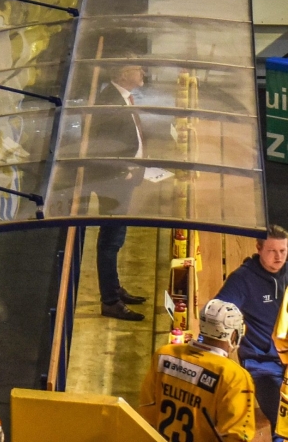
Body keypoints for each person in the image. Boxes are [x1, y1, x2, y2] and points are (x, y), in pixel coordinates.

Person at [139, 299, 256, 442]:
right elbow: (237, 437)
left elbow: (146, 411)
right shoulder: (234, 377)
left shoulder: (165, 354)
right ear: (233, 334)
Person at [91, 62, 149, 321]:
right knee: (110, 241)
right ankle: (110, 301)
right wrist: (123, 169)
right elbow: (102, 144)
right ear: (124, 73)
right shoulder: (109, 102)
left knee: (116, 238)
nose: (143, 72)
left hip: (124, 178)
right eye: (138, 69)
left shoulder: (121, 97)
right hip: (114, 182)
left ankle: (114, 289)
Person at [214, 228, 288, 429]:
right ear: (259, 247)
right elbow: (215, 312)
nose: (279, 257)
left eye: (283, 250)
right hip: (261, 364)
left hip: (287, 359)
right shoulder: (243, 279)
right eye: (272, 250)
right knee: (282, 417)